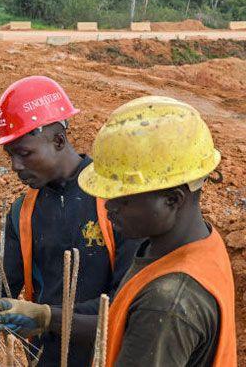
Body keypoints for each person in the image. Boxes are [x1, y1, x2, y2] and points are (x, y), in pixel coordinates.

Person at [0, 76, 139, 366]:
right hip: (46, 357)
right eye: (10, 155)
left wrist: (46, 316)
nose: (15, 167)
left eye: (24, 153)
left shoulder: (114, 202)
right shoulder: (24, 212)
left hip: (106, 356)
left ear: (58, 140)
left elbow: (126, 305)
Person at [77, 95, 236, 366]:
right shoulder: (190, 245)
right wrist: (48, 317)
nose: (108, 208)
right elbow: (122, 320)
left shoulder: (167, 303)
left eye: (124, 199)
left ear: (173, 200)